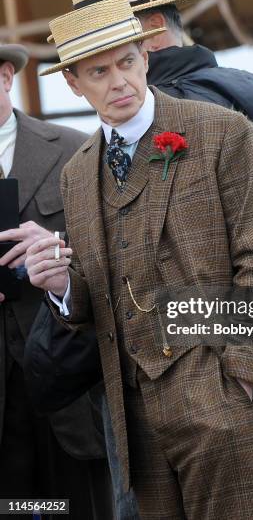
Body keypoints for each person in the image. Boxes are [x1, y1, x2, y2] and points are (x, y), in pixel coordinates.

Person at [26, 0, 253, 519]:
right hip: (131, 417)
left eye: (127, 62)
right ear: (73, 82)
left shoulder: (220, 131)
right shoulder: (77, 172)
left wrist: (242, 378)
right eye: (99, 71)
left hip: (221, 397)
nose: (119, 82)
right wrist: (62, 288)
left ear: (146, 53)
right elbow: (103, 290)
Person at [71, 0, 253, 402]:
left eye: (110, 39)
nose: (100, 60)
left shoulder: (174, 115)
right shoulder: (245, 89)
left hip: (199, 366)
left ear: (153, 32)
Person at [0, 42, 113, 519]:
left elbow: (115, 254)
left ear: (6, 76)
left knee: (80, 508)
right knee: (13, 509)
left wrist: (58, 253)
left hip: (67, 374)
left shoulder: (75, 150)